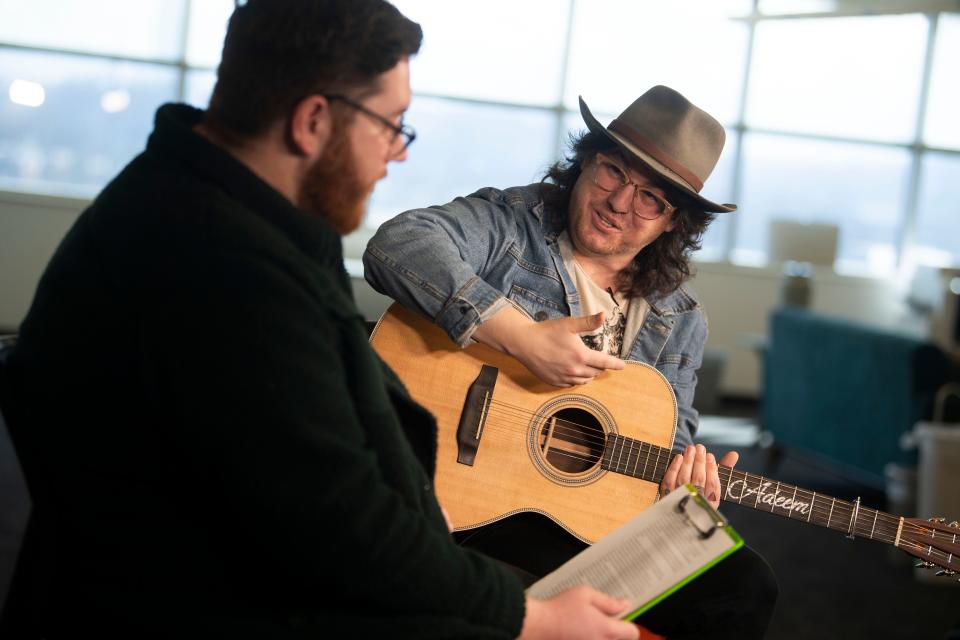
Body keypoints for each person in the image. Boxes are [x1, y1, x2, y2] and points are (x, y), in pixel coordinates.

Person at [3, 1, 643, 638]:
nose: (397, 153)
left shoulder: (229, 213)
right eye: (392, 124)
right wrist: (526, 615)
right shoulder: (218, 267)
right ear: (312, 121)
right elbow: (339, 525)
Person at [364, 85, 779, 637]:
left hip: (561, 510)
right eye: (612, 172)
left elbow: (667, 441)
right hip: (443, 480)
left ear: (673, 222)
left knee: (744, 585)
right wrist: (520, 336)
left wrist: (684, 482)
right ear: (585, 161)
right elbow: (398, 242)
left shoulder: (680, 317)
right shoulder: (512, 226)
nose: (620, 203)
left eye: (651, 199)